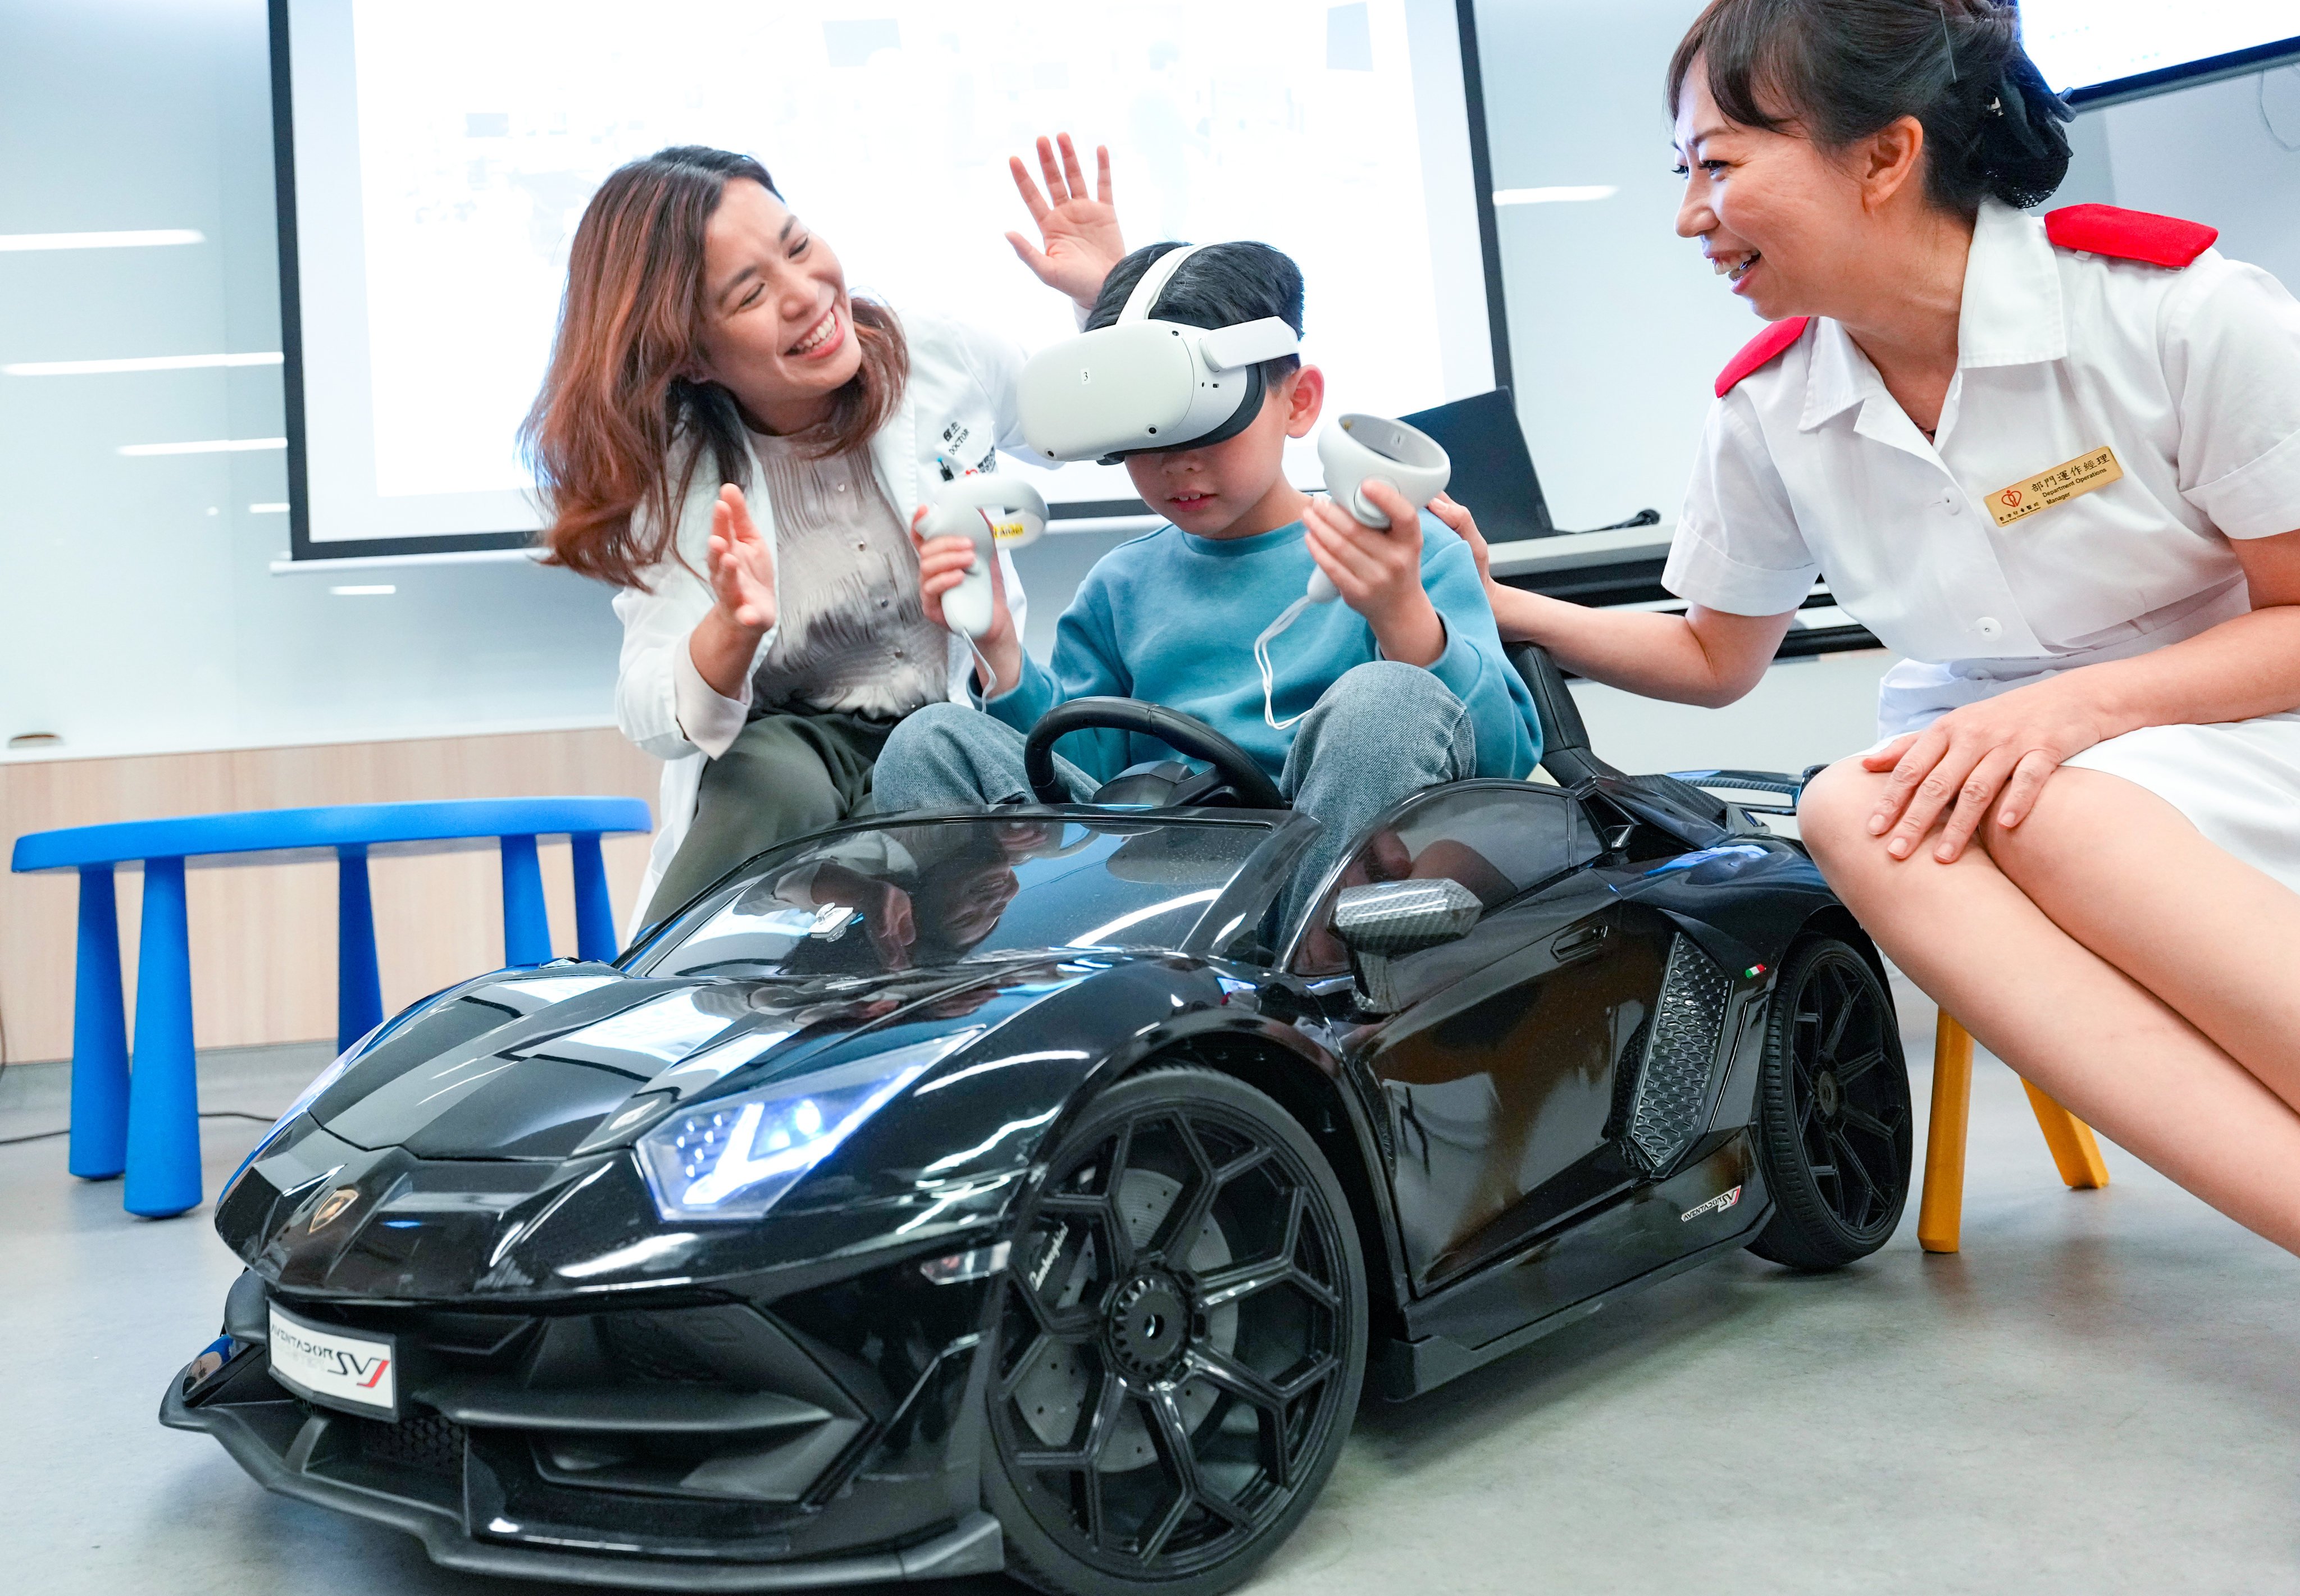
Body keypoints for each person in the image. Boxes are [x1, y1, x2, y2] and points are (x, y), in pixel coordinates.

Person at [1453, 0, 2300, 1253]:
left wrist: (2065, 713)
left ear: (1884, 156)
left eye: (1719, 167)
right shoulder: (1769, 406)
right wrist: (1485, 599)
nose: (1690, 216)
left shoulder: (2171, 313)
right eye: (1682, 173)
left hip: (2234, 728)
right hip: (2015, 768)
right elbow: (1712, 655)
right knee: (1849, 806)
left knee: (2033, 799)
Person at [522, 136, 1124, 932]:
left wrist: (1106, 294)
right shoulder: (676, 470)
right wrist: (728, 634)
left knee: (928, 766)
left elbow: (1101, 425)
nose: (806, 294)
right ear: (693, 356)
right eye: (749, 295)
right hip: (794, 754)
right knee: (769, 775)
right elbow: (646, 708)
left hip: (937, 735)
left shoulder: (937, 356)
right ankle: (649, 1009)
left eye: (799, 246)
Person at [875, 240, 1544, 912]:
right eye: (1146, 440)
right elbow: (1074, 773)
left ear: (1300, 402)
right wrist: (1001, 655)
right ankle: (994, 992)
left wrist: (1401, 614)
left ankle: (1302, 969)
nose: (1176, 468)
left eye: (1205, 433)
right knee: (928, 740)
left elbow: (1501, 759)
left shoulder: (1403, 556)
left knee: (1388, 699)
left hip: (1313, 886)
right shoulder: (1120, 587)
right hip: (1142, 890)